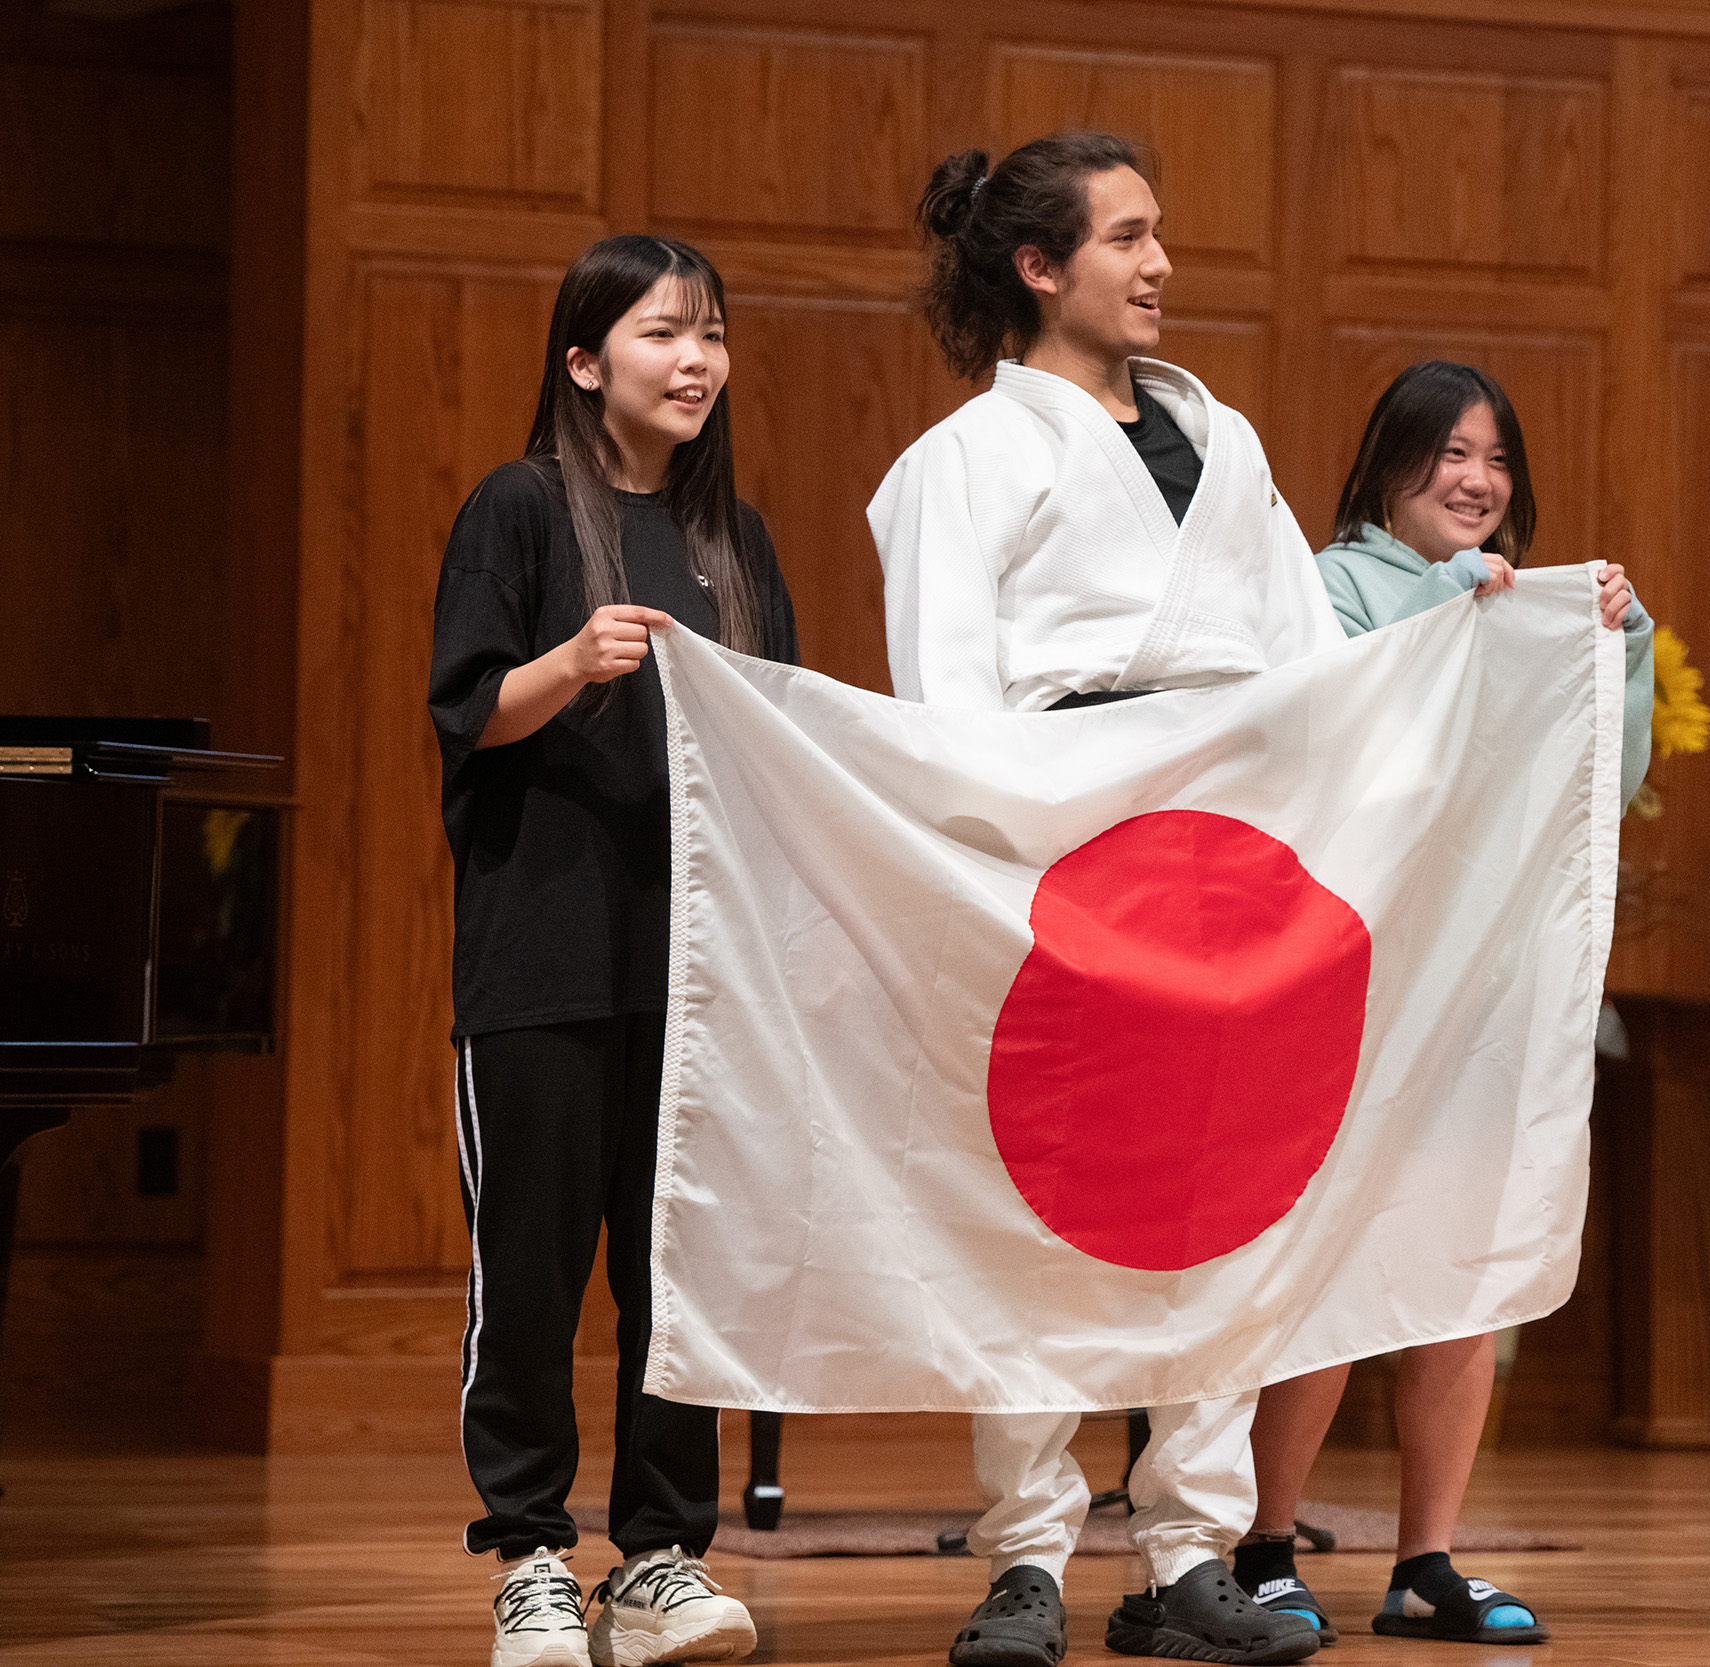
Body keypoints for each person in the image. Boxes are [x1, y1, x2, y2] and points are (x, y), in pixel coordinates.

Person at [868, 131, 1333, 1667]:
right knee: (1044, 1204)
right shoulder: (963, 461)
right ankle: (1025, 1557)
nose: (1160, 265)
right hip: (1057, 843)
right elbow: (946, 694)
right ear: (1039, 268)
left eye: (1160, 235)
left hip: (1220, 842)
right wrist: (1002, 864)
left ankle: (1193, 1552)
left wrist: (1505, 623)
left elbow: (1312, 660)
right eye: (1127, 238)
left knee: (1216, 1199)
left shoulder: (1229, 443)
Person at [1230, 359, 1649, 1648]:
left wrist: (1611, 652)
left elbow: (1596, 789)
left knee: (1463, 1273)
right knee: (1333, 1262)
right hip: (1353, 979)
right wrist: (1436, 623)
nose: (1477, 482)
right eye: (1450, 455)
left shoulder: (1525, 602)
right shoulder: (1325, 583)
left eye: (1497, 459)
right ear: (1389, 466)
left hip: (1484, 985)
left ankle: (1426, 1558)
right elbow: (1319, 740)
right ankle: (1259, 1544)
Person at [429, 234, 798, 1667]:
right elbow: (471, 712)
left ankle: (657, 1562)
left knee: (679, 1274)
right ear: (585, 360)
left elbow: (778, 744)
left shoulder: (735, 541)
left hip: (699, 980)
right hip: (539, 962)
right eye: (662, 334)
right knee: (526, 1273)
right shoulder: (517, 510)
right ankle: (528, 1554)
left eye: (711, 334)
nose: (696, 360)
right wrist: (573, 663)